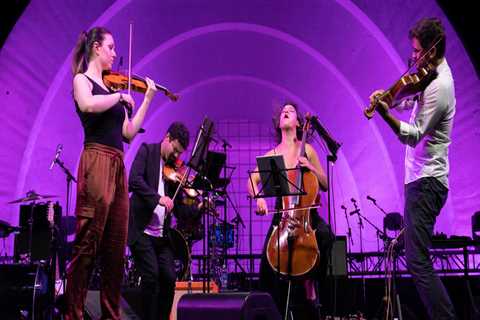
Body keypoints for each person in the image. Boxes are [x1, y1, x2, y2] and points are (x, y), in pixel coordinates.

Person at [65, 27, 157, 319]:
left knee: (116, 248)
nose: (115, 53)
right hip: (96, 160)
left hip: (118, 165)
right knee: (88, 242)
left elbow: (129, 133)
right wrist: (118, 97)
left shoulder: (111, 89)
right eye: (111, 47)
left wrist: (147, 100)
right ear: (95, 48)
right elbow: (87, 105)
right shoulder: (83, 81)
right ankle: (74, 313)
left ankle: (110, 314)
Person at [369, 17, 456, 319]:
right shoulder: (428, 77)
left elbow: (414, 133)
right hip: (418, 182)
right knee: (414, 256)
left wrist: (384, 115)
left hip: (427, 182)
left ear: (432, 51)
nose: (414, 57)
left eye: (418, 51)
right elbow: (412, 102)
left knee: (417, 260)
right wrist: (389, 98)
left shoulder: (440, 87)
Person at [247, 102, 333, 318]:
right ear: (279, 123)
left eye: (291, 111)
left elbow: (324, 183)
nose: (286, 112)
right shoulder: (272, 155)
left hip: (307, 217)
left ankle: (311, 280)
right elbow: (251, 179)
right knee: (266, 267)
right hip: (283, 216)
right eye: (283, 111)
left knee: (326, 236)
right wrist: (258, 199)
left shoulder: (308, 150)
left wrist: (311, 167)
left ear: (298, 122)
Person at [128, 122, 190, 320]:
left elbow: (179, 210)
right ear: (167, 138)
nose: (176, 156)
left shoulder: (173, 171)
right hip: (142, 231)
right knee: (151, 276)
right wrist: (158, 198)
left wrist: (197, 205)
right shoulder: (147, 151)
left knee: (170, 278)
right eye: (175, 150)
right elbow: (134, 180)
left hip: (161, 236)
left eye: (180, 153)